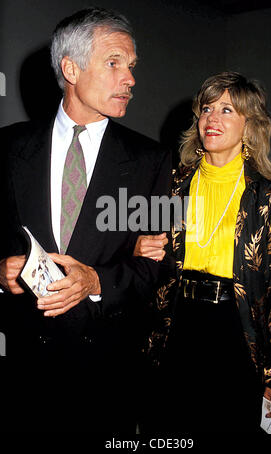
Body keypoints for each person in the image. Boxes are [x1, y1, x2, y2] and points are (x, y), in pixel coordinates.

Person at [0, 7, 171, 432]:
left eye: (131, 66)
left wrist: (97, 282)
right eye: (114, 63)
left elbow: (165, 261)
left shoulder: (153, 160)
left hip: (107, 377)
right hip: (26, 375)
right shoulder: (6, 147)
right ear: (71, 68)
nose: (130, 78)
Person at [135, 72, 271, 433]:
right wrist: (138, 245)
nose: (212, 119)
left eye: (227, 110)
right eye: (207, 108)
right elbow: (138, 251)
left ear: (250, 124)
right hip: (176, 324)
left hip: (235, 330)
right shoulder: (172, 184)